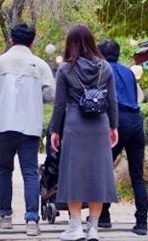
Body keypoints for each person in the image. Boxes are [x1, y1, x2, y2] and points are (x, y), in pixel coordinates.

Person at [0, 23, 55, 237]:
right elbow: (51, 94)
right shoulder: (39, 65)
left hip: (2, 125)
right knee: (30, 173)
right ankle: (32, 220)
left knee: (4, 170)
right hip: (29, 125)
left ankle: (5, 216)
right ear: (32, 42)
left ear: (11, 40)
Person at [49, 25, 118, 241]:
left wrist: (54, 130)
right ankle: (94, 229)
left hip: (75, 125)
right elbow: (112, 101)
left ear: (70, 43)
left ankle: (76, 226)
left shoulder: (65, 69)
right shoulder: (105, 67)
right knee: (99, 175)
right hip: (99, 124)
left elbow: (59, 105)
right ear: (92, 41)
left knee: (73, 175)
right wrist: (113, 127)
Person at [97, 39, 148, 236]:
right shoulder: (128, 71)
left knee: (103, 169)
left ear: (100, 54)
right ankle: (142, 222)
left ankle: (104, 215)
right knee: (137, 174)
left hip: (117, 122)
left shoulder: (102, 70)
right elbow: (135, 97)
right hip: (136, 121)